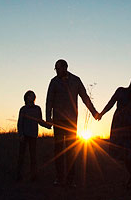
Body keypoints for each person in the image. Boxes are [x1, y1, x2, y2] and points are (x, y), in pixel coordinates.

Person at [45, 59, 99, 187]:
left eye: (58, 68)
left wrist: (94, 112)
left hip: (71, 121)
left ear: (65, 67)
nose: (57, 71)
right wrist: (48, 118)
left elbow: (85, 97)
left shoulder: (76, 80)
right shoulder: (54, 82)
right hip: (58, 121)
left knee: (71, 151)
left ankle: (70, 180)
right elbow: (49, 101)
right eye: (55, 69)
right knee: (58, 150)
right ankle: (59, 178)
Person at [16, 90, 51, 181]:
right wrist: (21, 134)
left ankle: (34, 176)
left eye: (33, 96)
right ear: (26, 97)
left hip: (33, 135)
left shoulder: (37, 109)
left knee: (33, 156)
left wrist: (48, 125)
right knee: (21, 156)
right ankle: (18, 175)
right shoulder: (23, 109)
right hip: (24, 135)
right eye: (30, 96)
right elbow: (20, 123)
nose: (32, 97)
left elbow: (40, 121)